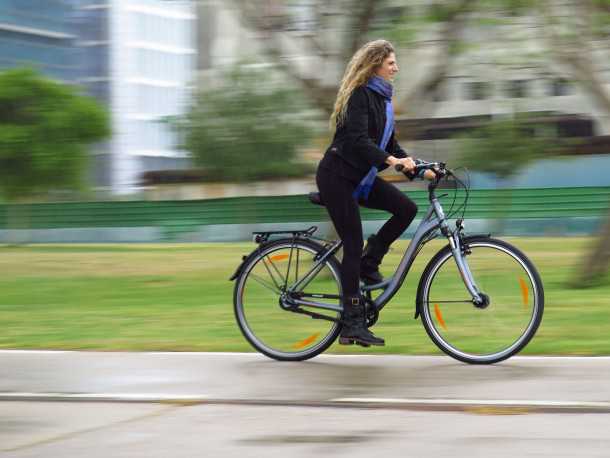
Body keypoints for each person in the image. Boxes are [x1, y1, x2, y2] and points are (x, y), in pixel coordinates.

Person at [316, 39, 428, 347]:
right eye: (391, 62)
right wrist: (393, 163)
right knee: (352, 244)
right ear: (375, 64)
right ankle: (351, 323)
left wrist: (419, 168)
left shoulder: (382, 101)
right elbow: (357, 141)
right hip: (337, 177)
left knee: (406, 209)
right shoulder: (360, 96)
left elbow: (390, 145)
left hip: (359, 178)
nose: (396, 67)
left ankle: (370, 261)